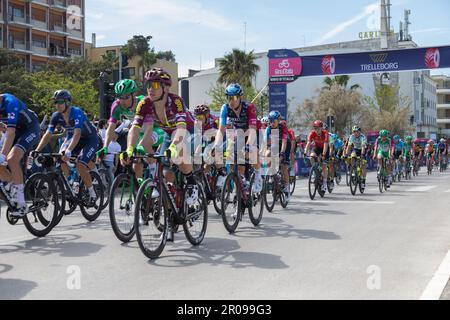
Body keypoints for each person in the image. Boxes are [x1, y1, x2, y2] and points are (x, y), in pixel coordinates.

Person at [124, 68, 199, 208]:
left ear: (165, 88)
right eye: (148, 85)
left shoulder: (176, 101)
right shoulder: (144, 103)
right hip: (169, 133)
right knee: (163, 166)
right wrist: (129, 149)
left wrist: (173, 146)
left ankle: (192, 183)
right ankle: (173, 195)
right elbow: (135, 128)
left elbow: (181, 128)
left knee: (178, 153)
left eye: (155, 85)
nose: (150, 89)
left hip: (188, 131)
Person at [33, 90, 101, 204]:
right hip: (72, 138)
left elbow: (77, 133)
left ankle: (92, 193)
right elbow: (48, 134)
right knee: (60, 158)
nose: (57, 105)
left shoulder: (76, 112)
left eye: (60, 102)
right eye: (55, 102)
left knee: (80, 165)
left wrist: (69, 150)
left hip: (89, 139)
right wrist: (37, 150)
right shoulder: (56, 116)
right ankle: (70, 183)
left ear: (67, 102)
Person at [213, 83, 263, 193]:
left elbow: (252, 130)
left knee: (252, 152)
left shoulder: (249, 108)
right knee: (232, 155)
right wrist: (216, 145)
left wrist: (248, 146)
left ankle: (258, 175)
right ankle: (242, 180)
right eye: (228, 98)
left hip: (253, 132)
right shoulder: (225, 108)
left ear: (240, 97)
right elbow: (221, 130)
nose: (231, 101)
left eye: (234, 97)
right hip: (239, 133)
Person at [0, 94, 40, 216]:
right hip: (14, 130)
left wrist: (2, 155)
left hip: (30, 129)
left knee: (11, 159)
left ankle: (21, 204)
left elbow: (11, 133)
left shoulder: (10, 102)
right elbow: (5, 129)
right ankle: (14, 185)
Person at [265, 111, 291, 200]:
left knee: (283, 166)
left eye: (274, 121)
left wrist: (282, 154)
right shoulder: (268, 129)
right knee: (267, 154)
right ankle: (271, 174)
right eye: (270, 121)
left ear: (278, 121)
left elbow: (284, 142)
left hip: (285, 145)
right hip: (275, 144)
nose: (272, 123)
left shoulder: (283, 127)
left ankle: (287, 188)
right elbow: (266, 143)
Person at [304, 120, 330, 192]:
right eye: (315, 128)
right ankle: (315, 171)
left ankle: (324, 182)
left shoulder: (325, 133)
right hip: (317, 148)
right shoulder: (312, 133)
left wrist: (323, 155)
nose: (316, 130)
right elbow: (308, 143)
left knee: (324, 165)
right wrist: (305, 152)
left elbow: (325, 145)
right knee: (312, 156)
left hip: (325, 149)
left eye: (318, 128)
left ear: (322, 128)